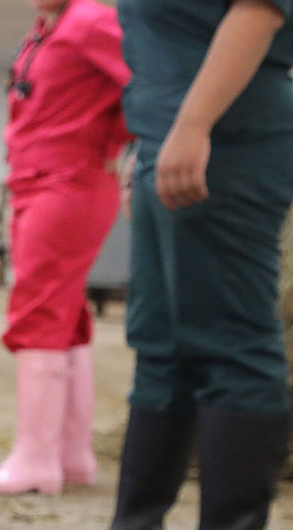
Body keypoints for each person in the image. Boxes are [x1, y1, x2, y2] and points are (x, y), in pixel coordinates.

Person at [113, 0, 293, 527]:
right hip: (166, 139)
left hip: (227, 138)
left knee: (233, 348)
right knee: (160, 346)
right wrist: (148, 142)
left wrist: (192, 125)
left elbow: (258, 9)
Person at [0, 0, 130, 496]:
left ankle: (36, 461)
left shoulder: (90, 21)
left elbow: (147, 81)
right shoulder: (48, 27)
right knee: (63, 312)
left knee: (38, 309)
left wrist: (111, 142)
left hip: (68, 179)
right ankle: (70, 455)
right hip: (39, 179)